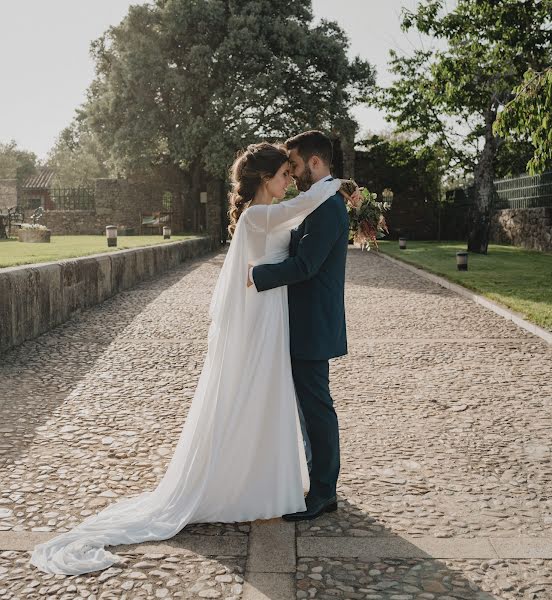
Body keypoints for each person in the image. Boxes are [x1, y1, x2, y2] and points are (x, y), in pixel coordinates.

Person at [28, 141, 342, 575]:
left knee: (269, 396)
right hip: (262, 316)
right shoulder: (257, 215)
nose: (290, 181)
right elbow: (305, 205)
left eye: (292, 174)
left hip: (272, 312)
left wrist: (341, 198)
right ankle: (242, 479)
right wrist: (337, 186)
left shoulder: (270, 213)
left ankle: (266, 476)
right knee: (254, 391)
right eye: (284, 175)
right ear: (263, 179)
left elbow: (304, 224)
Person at [249, 130, 348, 522]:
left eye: (295, 164)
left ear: (316, 162)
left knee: (317, 408)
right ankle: (317, 481)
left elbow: (306, 266)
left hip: (313, 322)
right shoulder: (319, 202)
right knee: (309, 408)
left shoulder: (328, 208)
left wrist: (257, 275)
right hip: (303, 321)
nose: (291, 172)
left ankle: (324, 492)